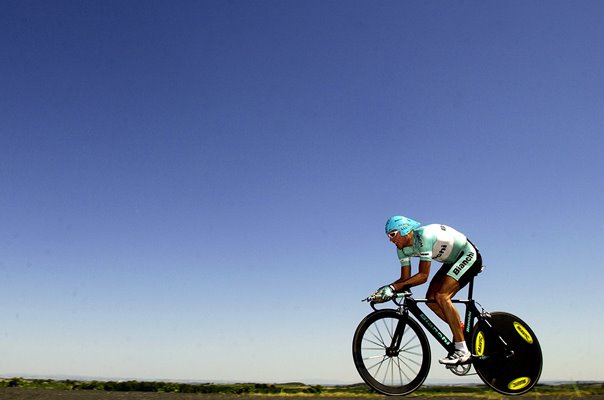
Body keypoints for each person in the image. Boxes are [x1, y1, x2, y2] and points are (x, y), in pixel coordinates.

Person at [369, 215, 483, 365]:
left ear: (404, 230)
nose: (390, 239)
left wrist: (393, 288)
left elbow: (423, 276)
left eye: (392, 234)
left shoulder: (423, 236)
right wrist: (385, 290)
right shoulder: (401, 250)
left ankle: (462, 350)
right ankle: (460, 329)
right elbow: (404, 280)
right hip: (451, 261)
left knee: (442, 296)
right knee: (431, 300)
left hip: (467, 255)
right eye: (388, 236)